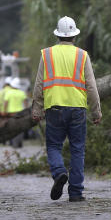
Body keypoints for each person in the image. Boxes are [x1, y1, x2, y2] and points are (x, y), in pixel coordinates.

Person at [31, 16, 101, 202]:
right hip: (78, 108)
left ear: (57, 35)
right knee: (77, 150)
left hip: (54, 107)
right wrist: (96, 111)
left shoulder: (46, 54)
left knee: (54, 146)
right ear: (74, 36)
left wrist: (37, 109)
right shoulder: (82, 55)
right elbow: (91, 86)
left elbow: (39, 85)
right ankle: (76, 193)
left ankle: (60, 172)